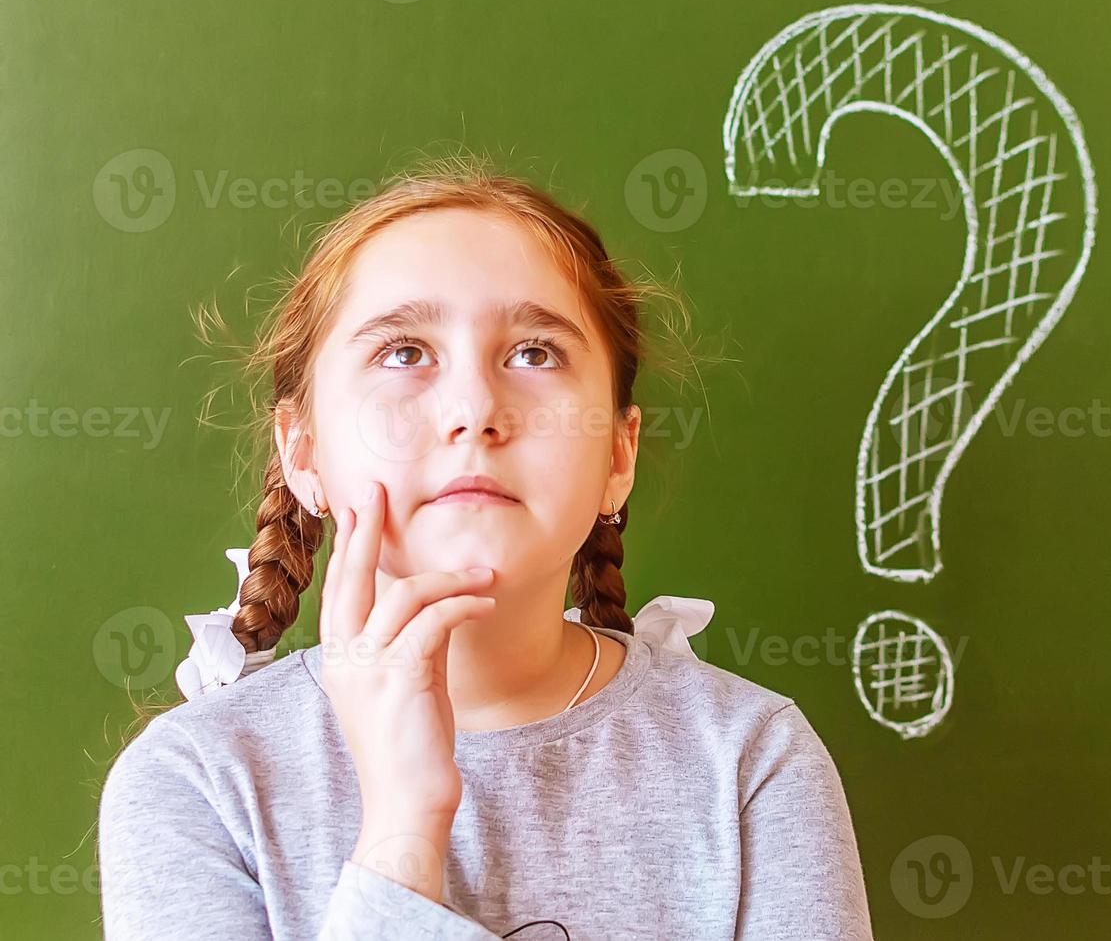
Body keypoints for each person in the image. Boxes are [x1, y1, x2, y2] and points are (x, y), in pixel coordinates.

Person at [95, 154, 874, 939]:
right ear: (303, 454)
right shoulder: (197, 782)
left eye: (535, 353)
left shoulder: (751, 761)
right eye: (404, 353)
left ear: (618, 458)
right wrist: (403, 831)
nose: (473, 409)